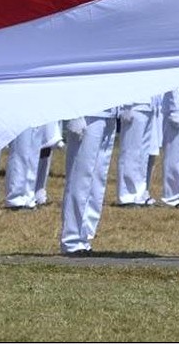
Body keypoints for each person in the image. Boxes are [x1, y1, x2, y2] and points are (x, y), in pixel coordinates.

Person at [60, 110, 118, 256]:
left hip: (109, 112)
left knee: (97, 179)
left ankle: (84, 236)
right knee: (80, 176)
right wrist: (75, 114)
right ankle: (72, 239)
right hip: (88, 113)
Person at [115, 95, 158, 207]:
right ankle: (126, 195)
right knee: (130, 152)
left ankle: (139, 194)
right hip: (134, 105)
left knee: (142, 156)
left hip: (148, 105)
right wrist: (126, 105)